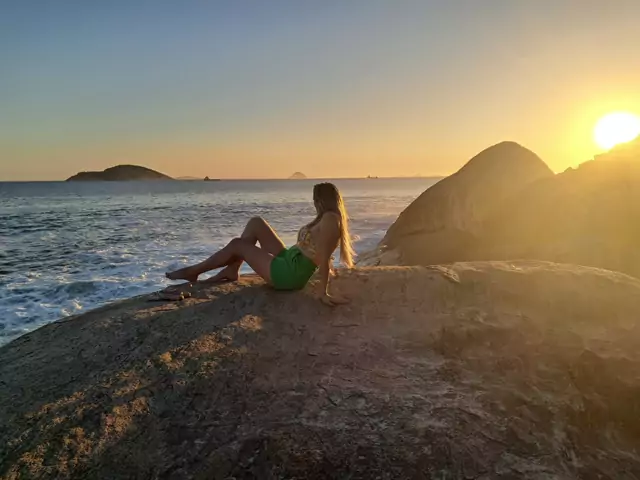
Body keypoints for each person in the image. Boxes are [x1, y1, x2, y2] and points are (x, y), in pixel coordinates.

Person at [166, 182, 354, 305]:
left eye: (315, 199)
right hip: (289, 259)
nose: (314, 203)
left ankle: (194, 271)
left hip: (290, 274)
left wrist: (323, 293)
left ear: (322, 200)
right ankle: (233, 269)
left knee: (238, 244)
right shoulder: (325, 217)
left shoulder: (330, 219)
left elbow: (324, 256)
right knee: (256, 223)